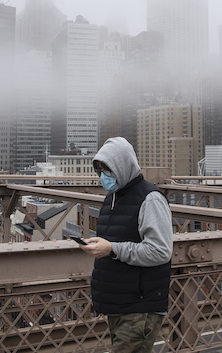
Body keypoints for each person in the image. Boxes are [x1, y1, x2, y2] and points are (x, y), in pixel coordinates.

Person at [78, 137, 173, 353]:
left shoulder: (150, 199)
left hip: (139, 307)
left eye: (108, 170)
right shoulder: (112, 198)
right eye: (100, 170)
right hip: (118, 304)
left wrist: (112, 249)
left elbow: (160, 251)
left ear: (123, 166)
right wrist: (101, 246)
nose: (104, 176)